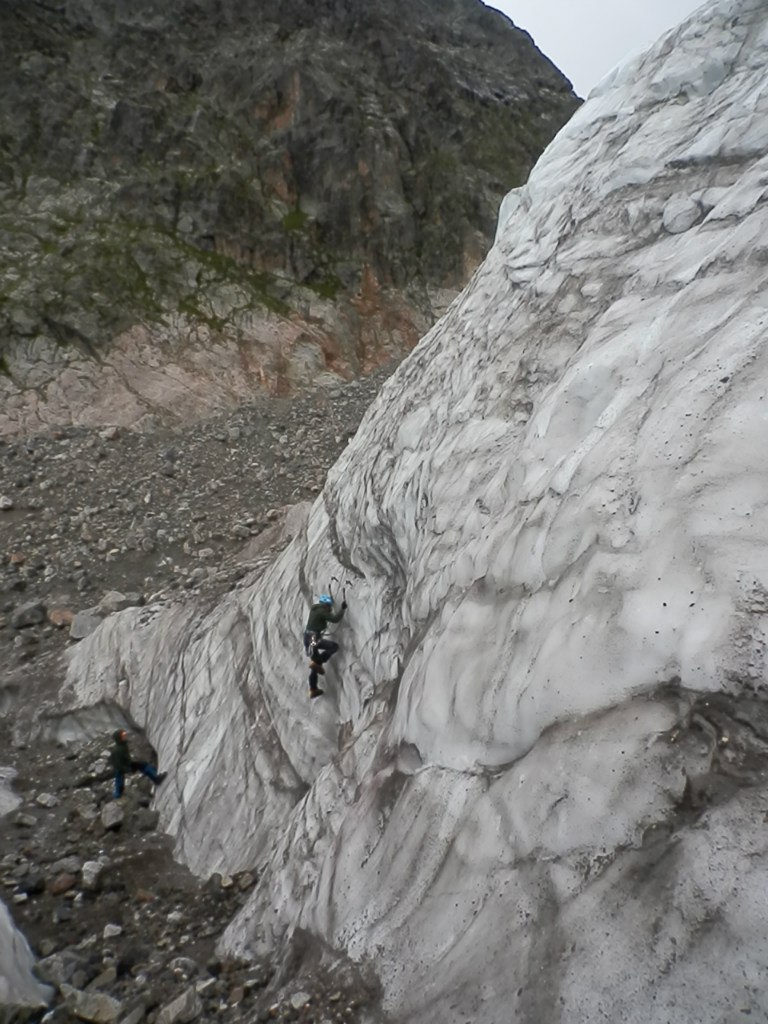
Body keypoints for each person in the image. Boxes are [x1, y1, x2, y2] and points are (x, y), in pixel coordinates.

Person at [303, 593, 346, 698]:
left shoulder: (315, 610)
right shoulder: (322, 611)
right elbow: (335, 619)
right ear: (326, 605)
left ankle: (313, 689)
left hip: (308, 638)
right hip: (313, 638)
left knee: (315, 665)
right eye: (329, 606)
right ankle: (319, 662)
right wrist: (342, 609)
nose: (330, 608)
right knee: (333, 647)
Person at [109, 729, 167, 799]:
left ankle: (118, 793)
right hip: (123, 766)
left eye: (125, 735)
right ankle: (156, 778)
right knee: (120, 776)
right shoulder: (117, 750)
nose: (125, 736)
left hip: (126, 764)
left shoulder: (123, 745)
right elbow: (117, 764)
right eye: (123, 736)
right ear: (119, 738)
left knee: (142, 766)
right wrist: (128, 769)